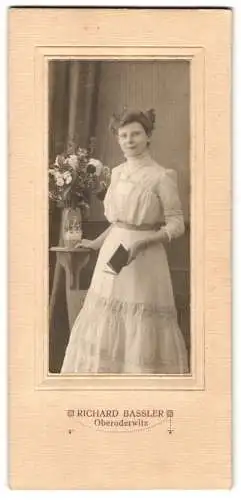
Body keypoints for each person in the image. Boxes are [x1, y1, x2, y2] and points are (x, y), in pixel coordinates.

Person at [61, 108, 188, 374]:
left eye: (136, 134)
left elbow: (176, 224)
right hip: (113, 251)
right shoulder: (117, 173)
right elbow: (117, 223)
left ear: (148, 136)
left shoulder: (162, 176)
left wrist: (144, 242)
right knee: (106, 312)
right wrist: (95, 243)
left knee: (137, 314)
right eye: (124, 135)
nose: (130, 140)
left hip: (144, 257)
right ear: (118, 139)